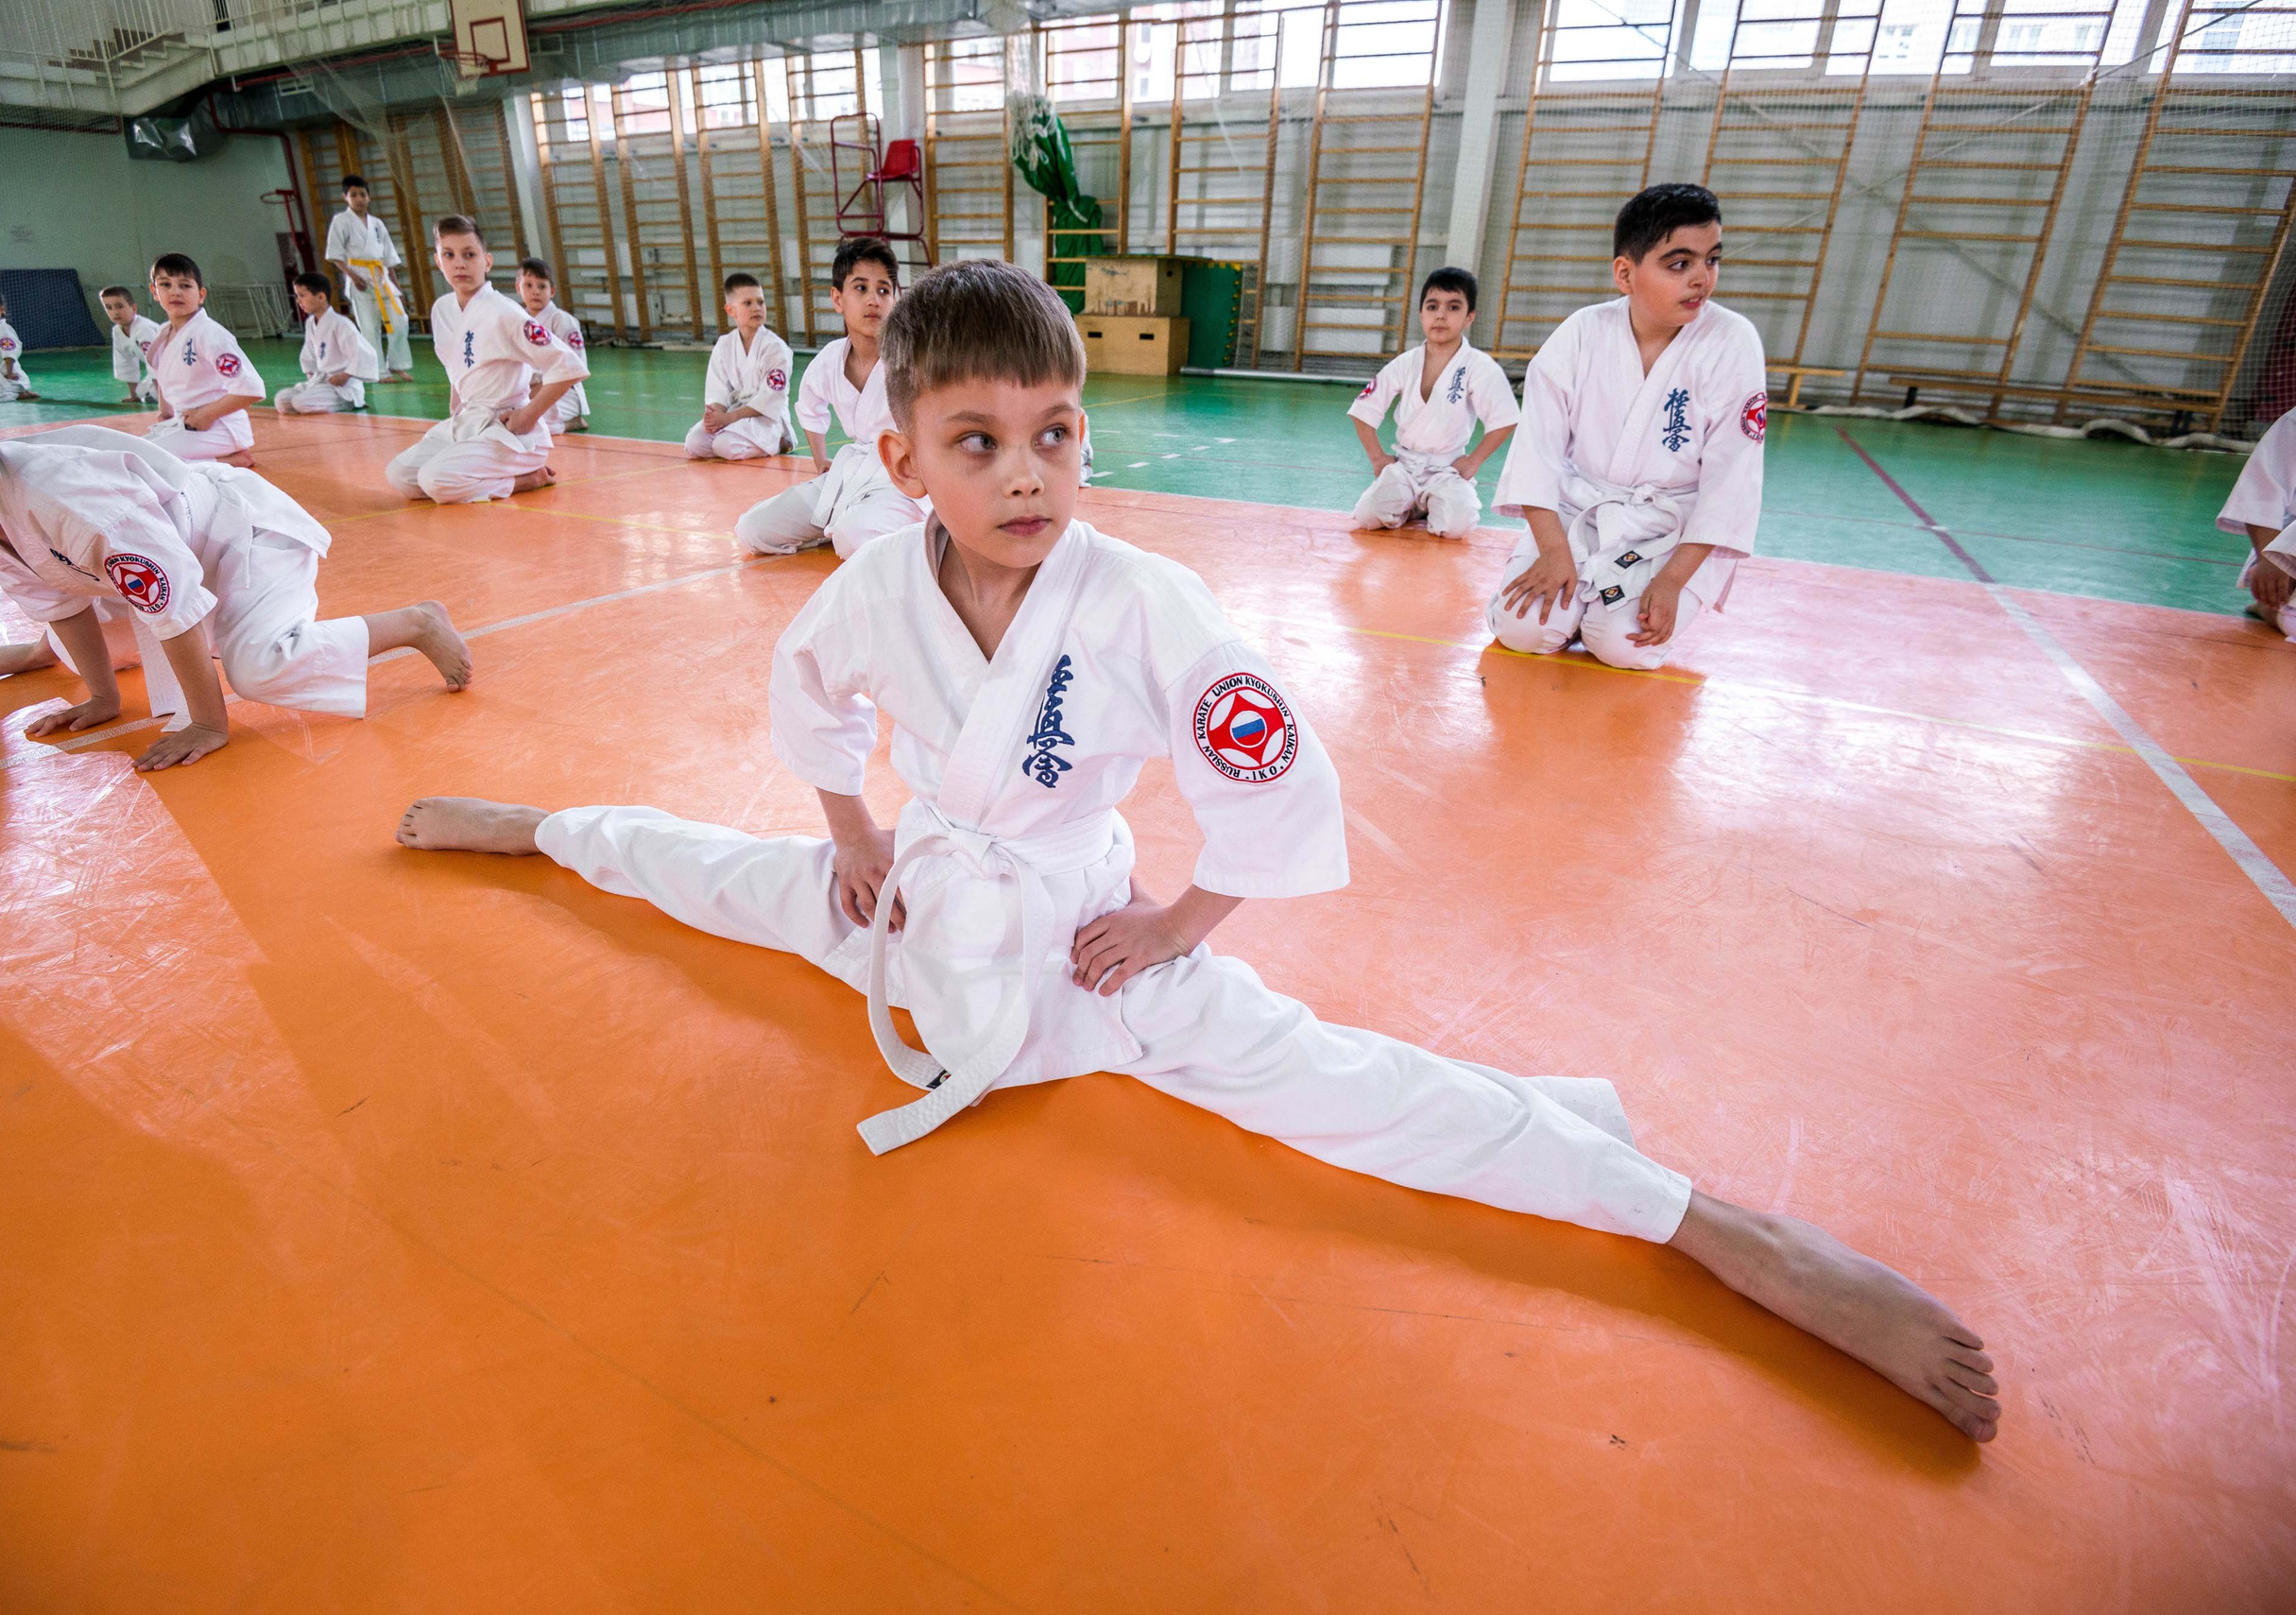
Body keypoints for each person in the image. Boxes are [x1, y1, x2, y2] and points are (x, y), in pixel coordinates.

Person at [395, 260, 2002, 1446]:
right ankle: (536, 824)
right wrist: (854, 828)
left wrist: (1172, 923)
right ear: (902, 465)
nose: (1027, 470)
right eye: (977, 441)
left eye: (1056, 431)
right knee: (720, 873)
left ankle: (1708, 1218)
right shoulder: (875, 584)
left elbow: (1273, 780)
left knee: (1345, 1089)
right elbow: (806, 699)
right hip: (923, 897)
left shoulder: (1153, 606)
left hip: (1084, 924)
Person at [0, 350, 471, 770]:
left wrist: (209, 721)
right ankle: (68, 661)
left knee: (258, 669)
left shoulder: (68, 501)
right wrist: (103, 699)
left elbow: (173, 603)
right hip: (168, 553)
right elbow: (59, 601)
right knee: (69, 643)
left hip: (242, 537)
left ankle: (417, 621)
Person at [1487, 183, 1766, 672]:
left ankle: (1601, 608)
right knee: (1523, 629)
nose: (1702, 278)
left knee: (1624, 644)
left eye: (1712, 260)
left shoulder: (1733, 341)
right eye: (1679, 264)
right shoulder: (1581, 333)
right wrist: (1553, 551)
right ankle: (1572, 598)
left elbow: (1731, 479)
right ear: (1625, 273)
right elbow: (1537, 452)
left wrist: (1674, 579)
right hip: (1580, 513)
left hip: (1670, 528)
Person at [732, 237, 922, 558]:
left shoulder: (914, 358)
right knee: (752, 529)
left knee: (852, 537)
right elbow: (809, 406)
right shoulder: (831, 359)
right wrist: (821, 462)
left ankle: (921, 530)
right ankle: (834, 527)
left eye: (883, 290)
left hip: (904, 483)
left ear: (896, 299)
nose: (873, 300)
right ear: (837, 299)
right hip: (851, 474)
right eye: (860, 288)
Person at [384, 215, 587, 505]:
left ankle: (527, 478)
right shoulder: (442, 310)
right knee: (400, 476)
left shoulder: (506, 312)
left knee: (435, 481)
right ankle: (480, 475)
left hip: (509, 430)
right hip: (468, 421)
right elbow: (456, 370)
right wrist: (455, 414)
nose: (460, 264)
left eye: (469, 255)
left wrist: (528, 416)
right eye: (449, 255)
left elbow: (569, 366)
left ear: (487, 261)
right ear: (438, 262)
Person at [1347, 266, 1517, 537]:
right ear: (1421, 314)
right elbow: (1363, 410)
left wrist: (1473, 462)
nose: (1440, 315)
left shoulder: (1478, 366)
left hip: (1447, 470)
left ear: (1469, 317)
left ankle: (1430, 502)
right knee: (1368, 516)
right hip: (1404, 467)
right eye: (1432, 306)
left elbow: (1505, 419)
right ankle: (1413, 503)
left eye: (1453, 307)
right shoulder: (1406, 362)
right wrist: (1377, 458)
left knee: (1456, 526)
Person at [143, 253, 265, 467]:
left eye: (185, 286)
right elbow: (162, 377)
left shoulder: (210, 334)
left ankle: (230, 460)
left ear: (201, 294)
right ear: (154, 291)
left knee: (151, 462)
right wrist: (166, 412)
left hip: (220, 425)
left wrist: (206, 415)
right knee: (135, 450)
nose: (175, 292)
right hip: (187, 422)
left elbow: (251, 389)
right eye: (165, 284)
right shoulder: (164, 333)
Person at [685, 271, 793, 461]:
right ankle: (738, 436)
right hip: (733, 414)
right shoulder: (724, 344)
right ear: (730, 310)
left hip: (765, 417)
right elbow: (717, 392)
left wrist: (728, 419)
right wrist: (715, 417)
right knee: (694, 443)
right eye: (747, 303)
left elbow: (770, 399)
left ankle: (780, 441)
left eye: (761, 302)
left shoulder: (775, 348)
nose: (756, 308)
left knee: (724, 446)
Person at [323, 175, 415, 382]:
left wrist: (397, 289)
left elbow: (389, 257)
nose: (359, 199)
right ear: (345, 197)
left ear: (369, 197)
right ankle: (378, 371)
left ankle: (397, 364)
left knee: (400, 321)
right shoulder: (341, 221)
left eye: (362, 194)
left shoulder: (377, 224)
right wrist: (353, 277)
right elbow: (335, 255)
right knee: (369, 327)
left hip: (382, 278)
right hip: (360, 280)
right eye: (353, 195)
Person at [2216, 407, 2296, 637]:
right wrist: (2271, 559)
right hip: (2288, 545)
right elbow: (2263, 491)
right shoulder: (2294, 422)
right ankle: (2274, 609)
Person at [273, 271, 380, 415]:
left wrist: (346, 375)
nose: (298, 301)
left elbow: (364, 353)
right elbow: (309, 353)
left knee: (299, 403)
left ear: (321, 297)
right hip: (321, 381)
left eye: (302, 295)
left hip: (343, 387)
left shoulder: (341, 323)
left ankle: (349, 402)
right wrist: (311, 373)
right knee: (282, 401)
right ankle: (317, 399)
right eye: (297, 296)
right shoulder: (311, 323)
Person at [513, 258, 591, 436]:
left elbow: (577, 367)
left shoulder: (563, 320)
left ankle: (572, 422)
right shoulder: (517, 320)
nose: (535, 292)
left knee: (530, 426)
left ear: (552, 290)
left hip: (563, 392)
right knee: (507, 419)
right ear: (518, 288)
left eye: (542, 286)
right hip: (528, 389)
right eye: (529, 286)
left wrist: (541, 387)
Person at [99, 284, 162, 406]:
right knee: (141, 392)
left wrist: (163, 400)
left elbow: (156, 363)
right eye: (109, 308)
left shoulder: (144, 328)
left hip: (180, 368)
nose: (115, 312)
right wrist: (134, 396)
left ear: (133, 308)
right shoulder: (117, 331)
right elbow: (125, 362)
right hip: (164, 373)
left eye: (119, 306)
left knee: (156, 396)